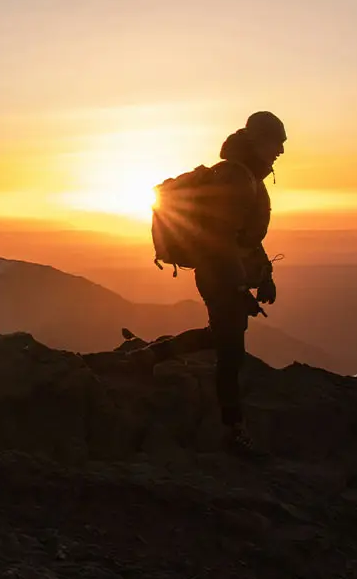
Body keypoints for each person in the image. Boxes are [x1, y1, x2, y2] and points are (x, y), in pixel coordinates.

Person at [95, 111, 285, 458]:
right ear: (257, 140)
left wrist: (265, 277)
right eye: (277, 142)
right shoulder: (236, 179)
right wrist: (240, 289)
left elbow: (246, 237)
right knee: (231, 352)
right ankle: (233, 428)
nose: (282, 151)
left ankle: (150, 355)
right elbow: (219, 239)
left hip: (226, 274)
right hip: (218, 274)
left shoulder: (246, 177)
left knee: (220, 337)